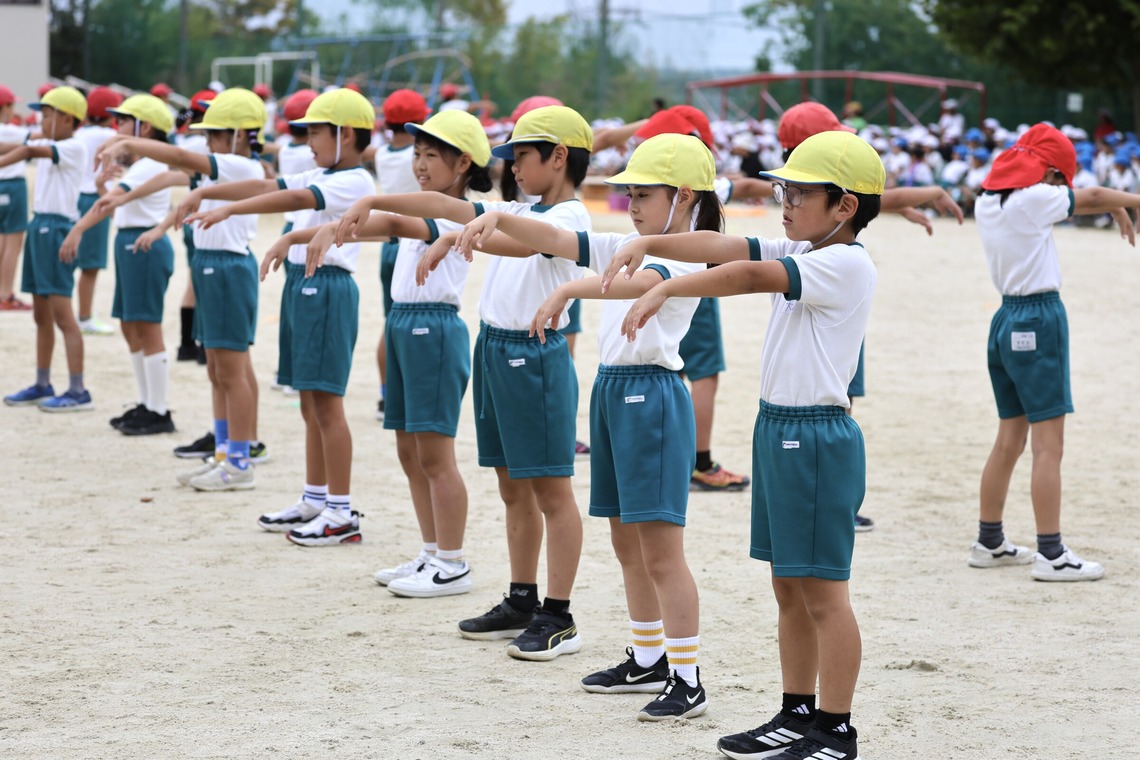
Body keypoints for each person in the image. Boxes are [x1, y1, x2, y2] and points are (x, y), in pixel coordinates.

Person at [606, 130, 886, 759]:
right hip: (779, 427)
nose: (785, 201)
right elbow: (724, 244)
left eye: (801, 192)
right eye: (783, 189)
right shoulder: (809, 243)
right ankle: (796, 712)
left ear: (845, 206)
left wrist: (668, 285)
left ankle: (836, 728)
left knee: (825, 593)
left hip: (815, 436)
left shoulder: (843, 261)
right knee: (789, 586)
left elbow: (752, 273)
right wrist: (650, 241)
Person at [455, 132, 717, 719]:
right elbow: (556, 238)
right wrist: (494, 215)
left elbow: (648, 285)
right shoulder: (629, 239)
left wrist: (572, 286)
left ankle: (688, 676)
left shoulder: (683, 250)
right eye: (628, 194)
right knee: (626, 541)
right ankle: (648, 656)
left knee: (661, 549)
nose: (633, 206)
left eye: (643, 194)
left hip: (651, 394)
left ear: (682, 196)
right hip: (614, 390)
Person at [330, 106, 592, 660]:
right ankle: (522, 598)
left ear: (559, 156)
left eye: (521, 156)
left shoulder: (569, 220)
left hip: (536, 355)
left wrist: (459, 229)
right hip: (494, 346)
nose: (513, 167)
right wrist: (393, 207)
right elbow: (452, 209)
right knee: (510, 485)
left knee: (551, 490)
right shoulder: (520, 206)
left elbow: (520, 240)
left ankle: (559, 614)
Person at [183, 87, 377, 540]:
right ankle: (314, 498)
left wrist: (230, 207)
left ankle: (342, 510)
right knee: (309, 402)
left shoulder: (354, 181)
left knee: (326, 402)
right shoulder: (326, 171)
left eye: (314, 132)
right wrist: (213, 193)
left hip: (327, 288)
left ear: (345, 134)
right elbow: (269, 185)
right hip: (303, 285)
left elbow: (292, 200)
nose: (308, 141)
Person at [967, 123, 1140, 582]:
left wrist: (1116, 207)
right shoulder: (1035, 199)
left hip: (1005, 319)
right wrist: (1129, 203)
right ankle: (1052, 553)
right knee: (1049, 446)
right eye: (1060, 177)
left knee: (1010, 438)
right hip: (1039, 320)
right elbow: (1098, 194)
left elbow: (1094, 198)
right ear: (1047, 172)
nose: (1062, 187)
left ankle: (989, 540)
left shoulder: (991, 201)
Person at [96, 88, 269, 491]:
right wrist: (160, 226)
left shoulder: (241, 166)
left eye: (214, 134)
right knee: (216, 368)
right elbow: (178, 178)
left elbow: (176, 158)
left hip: (227, 266)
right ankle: (225, 452)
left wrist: (126, 142)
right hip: (211, 266)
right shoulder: (223, 165)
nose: (206, 142)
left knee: (231, 369)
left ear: (241, 135)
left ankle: (240, 459)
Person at [61, 94, 178, 435]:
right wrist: (101, 185)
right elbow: (116, 200)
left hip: (143, 246)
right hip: (130, 242)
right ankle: (146, 403)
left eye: (125, 122)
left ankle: (158, 409)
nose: (118, 128)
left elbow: (112, 203)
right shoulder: (142, 165)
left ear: (146, 128)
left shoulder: (150, 165)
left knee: (147, 326)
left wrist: (78, 230)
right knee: (130, 325)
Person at [0, 86, 94, 411]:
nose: (43, 119)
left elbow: (26, 152)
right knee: (41, 315)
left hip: (57, 229)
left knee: (63, 316)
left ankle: (78, 389)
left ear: (67, 118)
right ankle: (42, 383)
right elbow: (20, 147)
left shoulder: (73, 147)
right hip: (40, 225)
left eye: (49, 114)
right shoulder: (50, 142)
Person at [372, 88, 429, 422]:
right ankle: (408, 392)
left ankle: (385, 394)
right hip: (416, 240)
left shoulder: (381, 154)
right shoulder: (420, 156)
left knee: (391, 321)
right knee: (415, 323)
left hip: (388, 242)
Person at [73, 86, 123, 336]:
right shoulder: (109, 135)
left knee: (70, 258)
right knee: (90, 266)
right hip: (96, 199)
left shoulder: (79, 133)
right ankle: (84, 317)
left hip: (75, 198)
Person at [0, 84, 32, 311]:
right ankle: (5, 293)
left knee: (2, 240)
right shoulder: (12, 131)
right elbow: (41, 139)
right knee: (14, 243)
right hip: (13, 187)